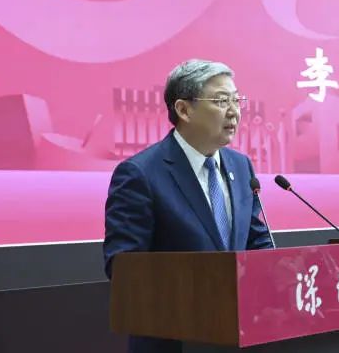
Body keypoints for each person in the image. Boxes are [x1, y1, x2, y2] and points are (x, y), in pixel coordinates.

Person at [103, 59, 273, 353]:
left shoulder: (241, 166)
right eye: (221, 101)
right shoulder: (140, 174)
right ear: (184, 110)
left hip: (238, 336)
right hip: (174, 341)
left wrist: (276, 270)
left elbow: (255, 240)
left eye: (236, 100)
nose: (234, 111)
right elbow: (123, 266)